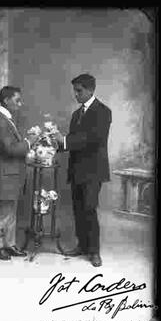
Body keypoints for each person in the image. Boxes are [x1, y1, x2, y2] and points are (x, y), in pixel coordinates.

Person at [54, 74, 112, 267]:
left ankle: (94, 252)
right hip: (77, 169)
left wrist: (63, 140)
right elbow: (70, 142)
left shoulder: (103, 112)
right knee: (78, 210)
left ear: (90, 90)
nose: (75, 94)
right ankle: (82, 245)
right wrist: (52, 142)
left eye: (79, 90)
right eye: (74, 90)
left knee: (89, 209)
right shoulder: (76, 115)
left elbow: (93, 138)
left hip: (94, 171)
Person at [0, 86, 38, 260]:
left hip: (10, 174)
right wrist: (29, 142)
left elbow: (11, 146)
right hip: (4, 174)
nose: (20, 104)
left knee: (10, 211)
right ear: (6, 100)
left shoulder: (5, 119)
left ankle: (9, 244)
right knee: (2, 212)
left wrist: (26, 143)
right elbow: (10, 149)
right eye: (17, 100)